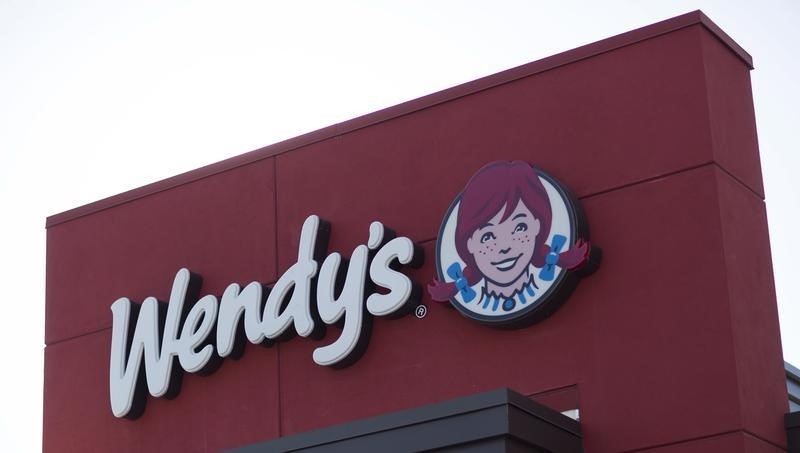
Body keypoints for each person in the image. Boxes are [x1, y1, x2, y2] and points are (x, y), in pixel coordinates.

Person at [428, 160, 590, 313]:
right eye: (488, 236)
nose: (505, 247)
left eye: (519, 227)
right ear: (469, 243)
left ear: (537, 225)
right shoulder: (476, 302)